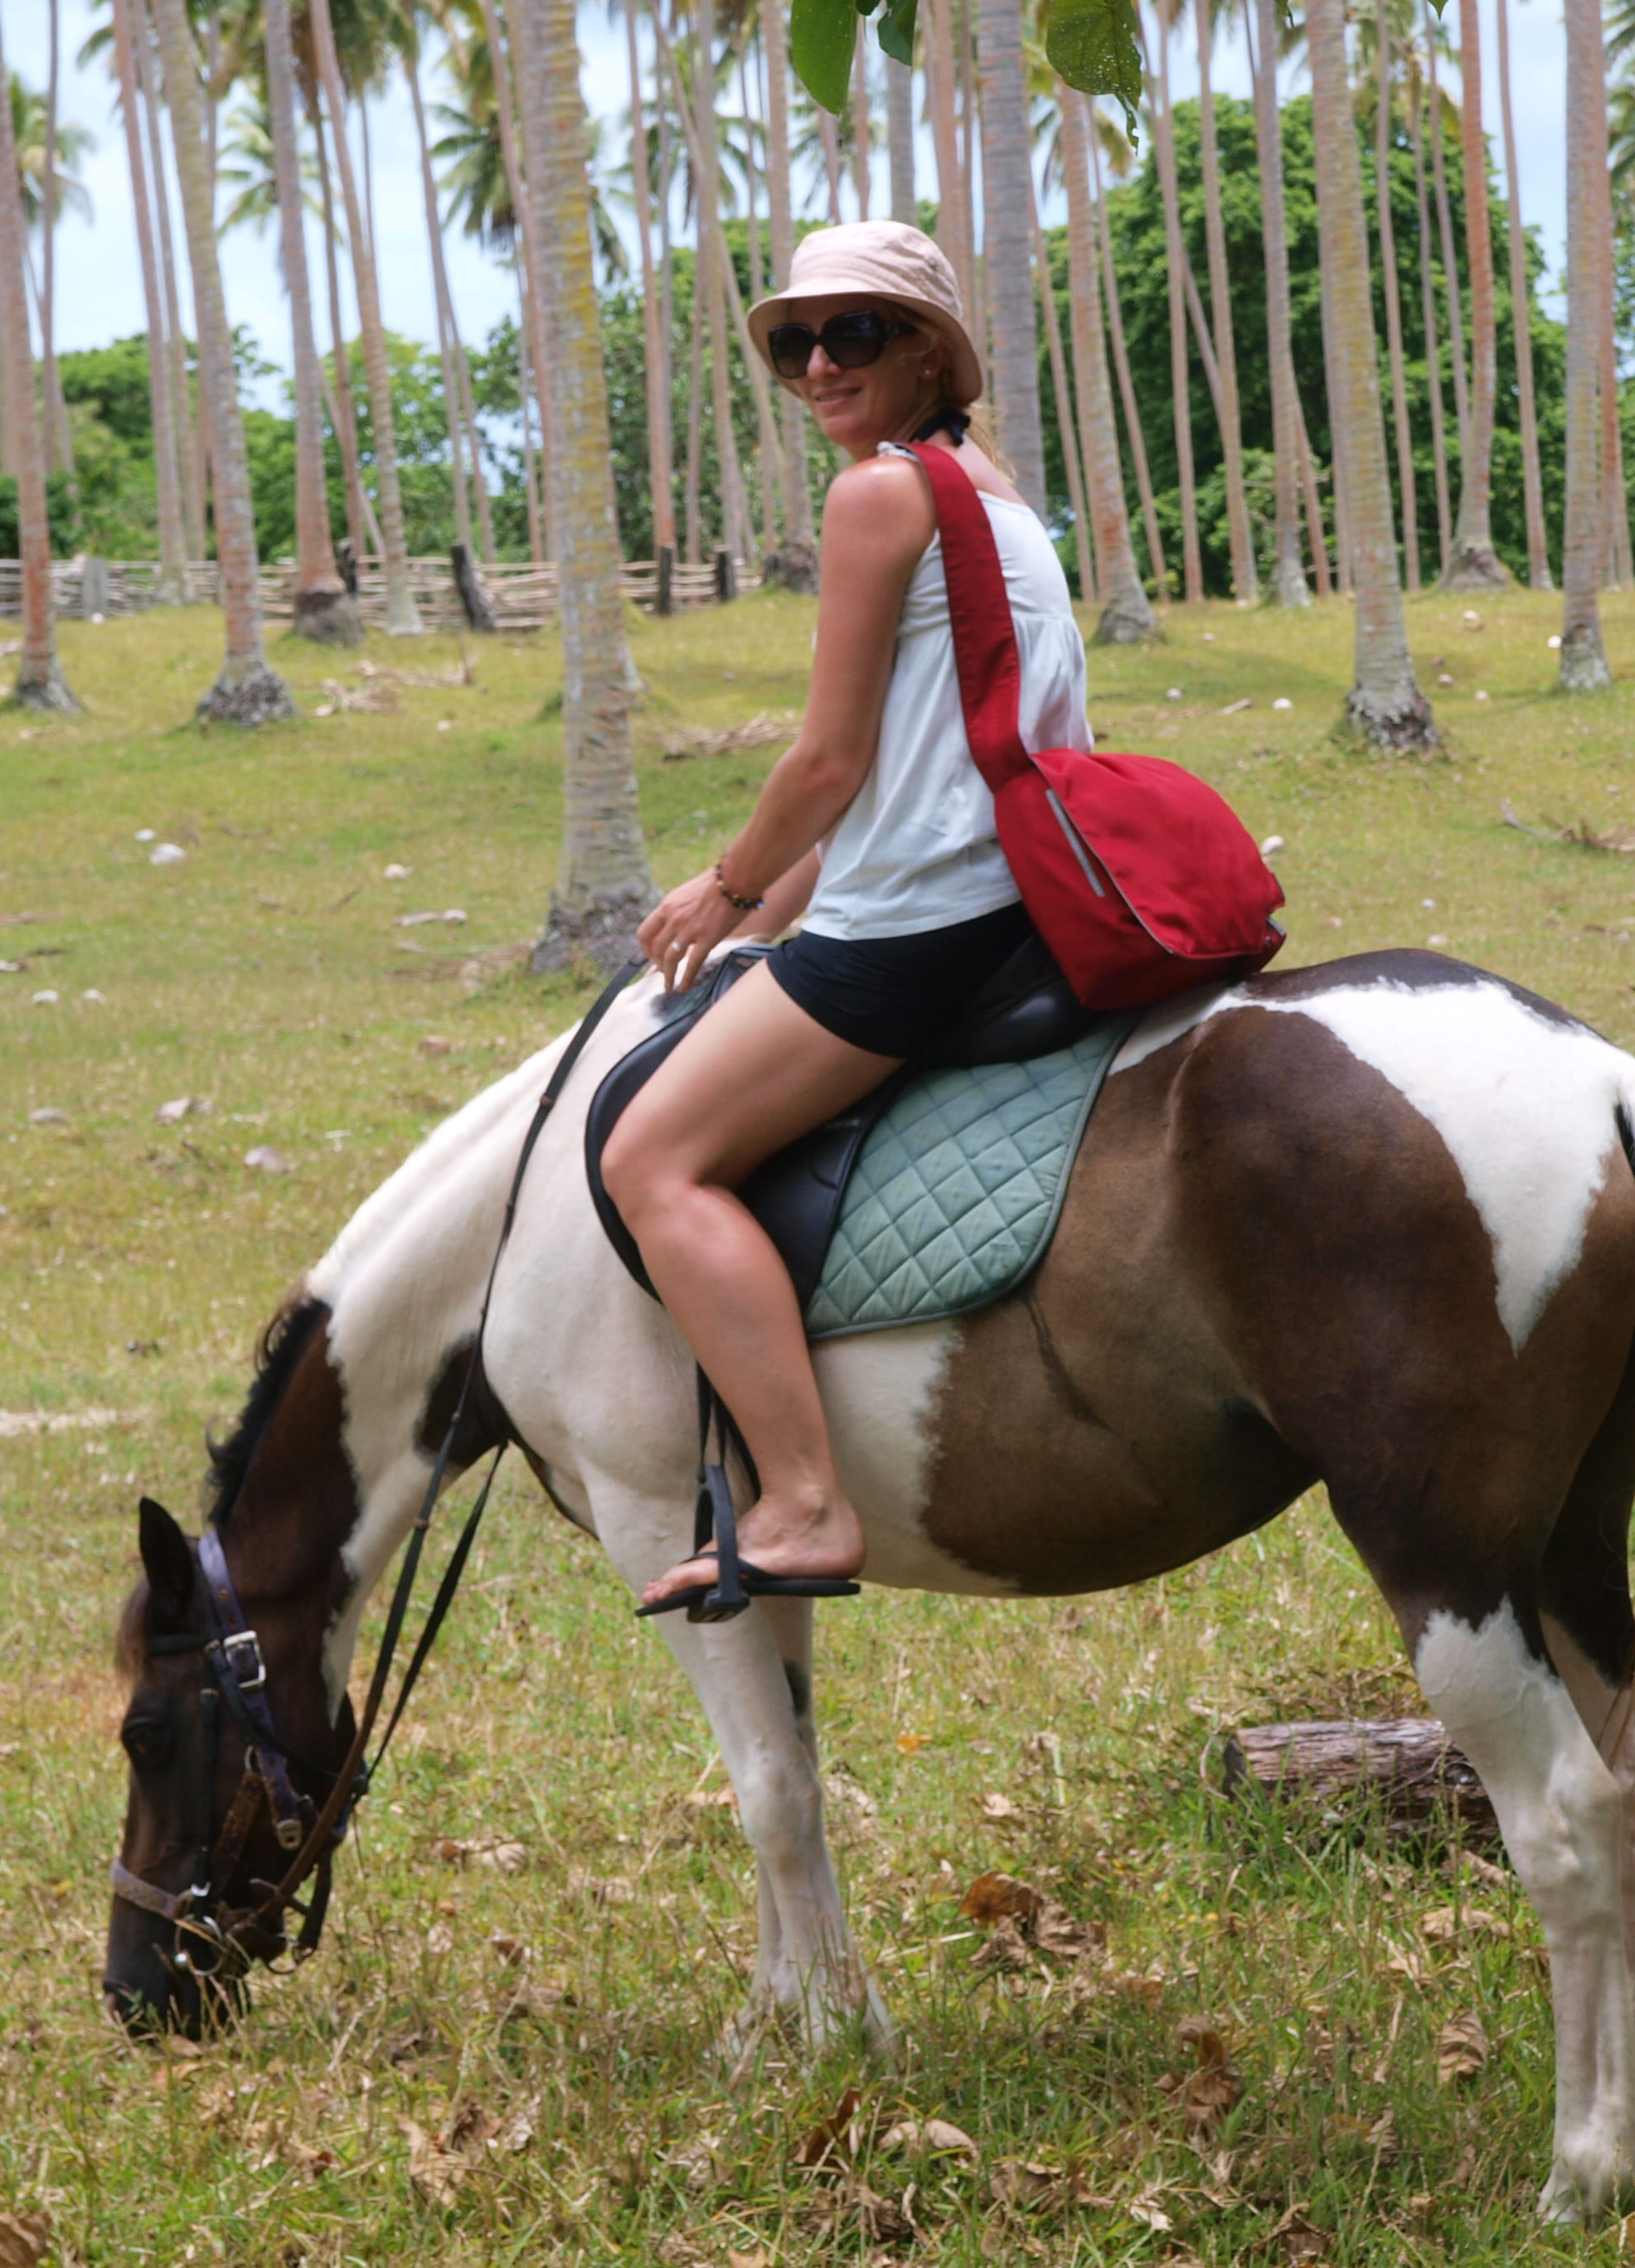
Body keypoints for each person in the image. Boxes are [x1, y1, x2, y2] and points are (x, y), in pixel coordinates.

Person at [601, 222, 1092, 1619]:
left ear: (931, 350)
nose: (819, 364)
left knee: (653, 1162)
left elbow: (827, 763)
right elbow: (925, 770)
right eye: (794, 342)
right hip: (1008, 901)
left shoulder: (880, 497)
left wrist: (729, 888)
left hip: (922, 930)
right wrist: (782, 905)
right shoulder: (990, 493)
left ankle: (808, 1501)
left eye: (857, 334)